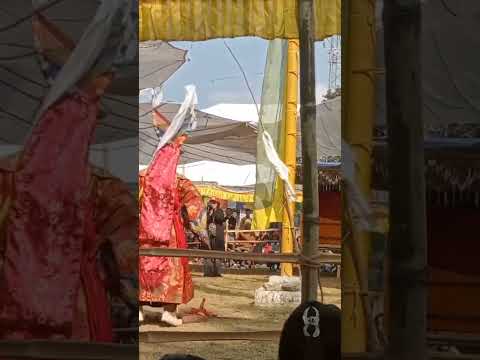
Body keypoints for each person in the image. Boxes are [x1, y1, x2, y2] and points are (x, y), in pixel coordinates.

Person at [139, 137, 208, 327]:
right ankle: (169, 312)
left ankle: (139, 310)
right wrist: (198, 231)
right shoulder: (180, 180)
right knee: (171, 268)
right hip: (170, 232)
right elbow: (196, 205)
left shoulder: (142, 176)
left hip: (143, 230)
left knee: (142, 266)